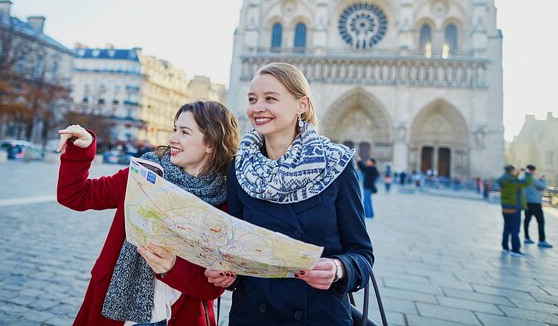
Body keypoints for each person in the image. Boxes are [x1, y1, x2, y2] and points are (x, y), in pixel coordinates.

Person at [205, 62, 373, 326]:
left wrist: (338, 269)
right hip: (253, 316)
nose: (257, 107)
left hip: (318, 316)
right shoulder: (239, 168)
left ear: (302, 105)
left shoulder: (336, 164)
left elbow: (362, 255)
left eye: (270, 98)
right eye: (252, 99)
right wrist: (226, 274)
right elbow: (235, 251)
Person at [56, 100, 239, 326]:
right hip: (117, 314)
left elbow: (211, 288)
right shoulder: (143, 173)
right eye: (175, 129)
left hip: (179, 316)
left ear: (210, 143)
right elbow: (75, 195)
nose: (173, 138)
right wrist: (81, 149)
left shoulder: (225, 200)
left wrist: (172, 268)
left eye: (184, 132)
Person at [497, 164, 532, 257]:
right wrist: (528, 173)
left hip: (505, 208)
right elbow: (527, 182)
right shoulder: (514, 181)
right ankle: (515, 250)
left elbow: (514, 180)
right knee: (515, 230)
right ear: (512, 171)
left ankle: (505, 248)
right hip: (514, 208)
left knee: (506, 228)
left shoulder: (503, 179)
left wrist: (517, 172)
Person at [523, 165, 553, 248]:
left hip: (527, 202)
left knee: (527, 220)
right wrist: (543, 180)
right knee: (541, 222)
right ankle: (542, 240)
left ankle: (526, 237)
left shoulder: (524, 178)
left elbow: (537, 188)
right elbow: (543, 187)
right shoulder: (532, 178)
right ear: (532, 171)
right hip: (535, 203)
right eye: (534, 171)